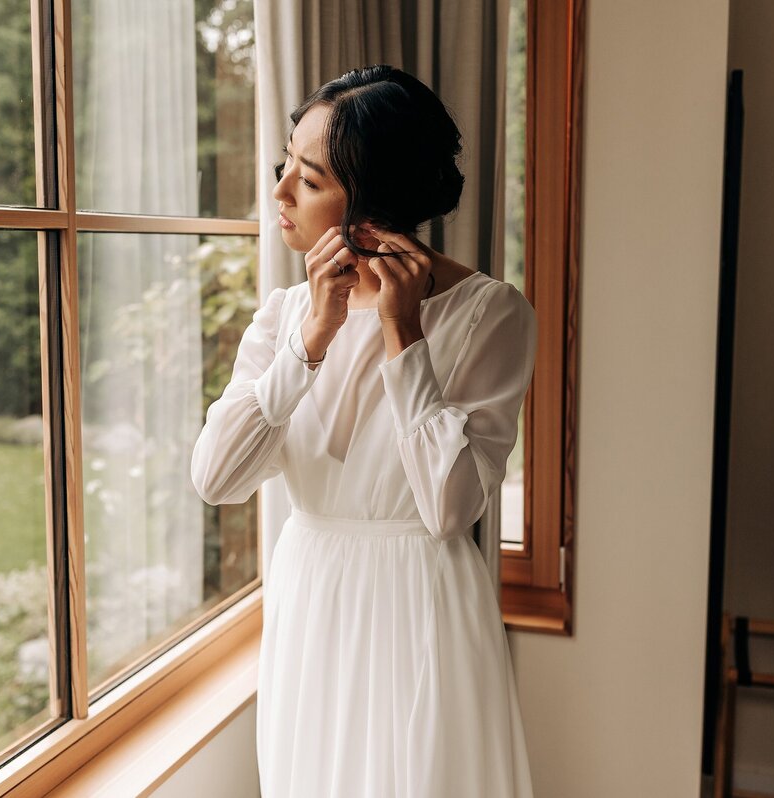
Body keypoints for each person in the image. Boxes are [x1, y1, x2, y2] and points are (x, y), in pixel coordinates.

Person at [190, 65, 536, 798]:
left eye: (308, 181)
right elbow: (217, 479)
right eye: (286, 166)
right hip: (310, 598)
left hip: (421, 607)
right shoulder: (285, 315)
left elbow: (449, 509)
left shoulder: (491, 315)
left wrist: (403, 334)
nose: (279, 192)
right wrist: (307, 344)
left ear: (374, 203)